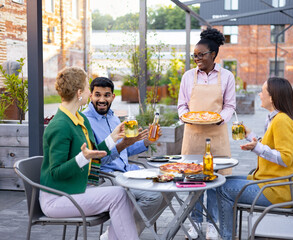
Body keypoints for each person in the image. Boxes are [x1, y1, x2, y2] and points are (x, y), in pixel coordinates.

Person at [39, 67, 139, 240]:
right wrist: (81, 158)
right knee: (119, 195)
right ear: (79, 93)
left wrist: (113, 137)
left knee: (126, 191)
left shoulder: (80, 119)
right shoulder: (60, 125)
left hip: (78, 188)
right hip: (58, 197)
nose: (89, 91)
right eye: (87, 87)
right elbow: (56, 172)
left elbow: (93, 151)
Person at [216, 77, 293, 240]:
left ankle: (226, 237)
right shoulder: (278, 119)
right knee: (222, 180)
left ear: (272, 97)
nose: (259, 95)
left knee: (222, 188)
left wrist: (256, 148)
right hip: (272, 183)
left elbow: (285, 158)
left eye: (262, 91)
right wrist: (250, 136)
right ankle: (227, 235)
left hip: (277, 191)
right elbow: (271, 146)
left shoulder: (281, 121)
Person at [83, 77, 163, 234]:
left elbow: (124, 150)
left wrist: (147, 141)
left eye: (106, 95)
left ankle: (119, 233)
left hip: (127, 172)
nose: (102, 99)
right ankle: (120, 234)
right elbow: (96, 160)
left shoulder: (113, 117)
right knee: (154, 196)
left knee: (168, 190)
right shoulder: (85, 121)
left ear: (113, 97)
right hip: (107, 177)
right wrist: (123, 144)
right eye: (97, 95)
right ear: (90, 96)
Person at [177, 27, 236, 239]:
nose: (196, 59)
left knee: (215, 181)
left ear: (213, 54)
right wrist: (186, 117)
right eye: (194, 55)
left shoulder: (227, 76)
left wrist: (220, 118)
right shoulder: (188, 77)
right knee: (193, 180)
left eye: (200, 55)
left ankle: (212, 223)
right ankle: (194, 223)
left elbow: (230, 106)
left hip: (216, 135)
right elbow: (182, 106)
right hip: (192, 135)